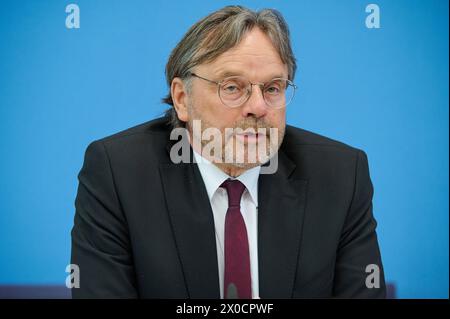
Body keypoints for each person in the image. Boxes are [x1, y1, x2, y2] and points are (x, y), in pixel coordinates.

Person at [71, 5, 386, 298]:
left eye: (272, 88)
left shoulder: (340, 176)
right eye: (232, 87)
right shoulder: (118, 174)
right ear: (182, 98)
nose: (258, 107)